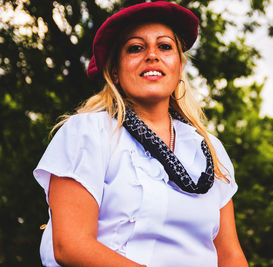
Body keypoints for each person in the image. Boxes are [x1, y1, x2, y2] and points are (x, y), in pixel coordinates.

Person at [33, 1, 248, 266]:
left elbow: (230, 255)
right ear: (115, 70)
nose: (152, 55)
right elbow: (70, 245)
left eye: (165, 46)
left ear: (180, 66)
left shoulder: (209, 149)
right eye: (136, 48)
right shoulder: (88, 133)